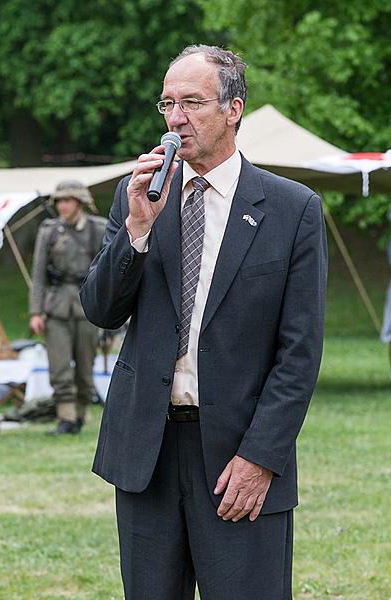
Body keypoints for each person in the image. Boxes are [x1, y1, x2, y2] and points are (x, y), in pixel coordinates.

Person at [80, 45, 327, 600]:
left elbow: (300, 352)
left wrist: (260, 457)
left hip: (239, 458)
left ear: (233, 108)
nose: (175, 119)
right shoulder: (139, 194)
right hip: (147, 454)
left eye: (192, 103)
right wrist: (137, 232)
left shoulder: (293, 210)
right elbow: (100, 310)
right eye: (167, 104)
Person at [29, 180, 107, 435]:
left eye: (68, 200)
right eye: (59, 201)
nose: (62, 206)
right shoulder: (49, 230)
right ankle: (66, 417)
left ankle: (80, 416)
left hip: (88, 305)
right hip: (57, 306)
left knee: (85, 368)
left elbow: (110, 272)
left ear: (80, 202)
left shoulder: (98, 229)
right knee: (59, 366)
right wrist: (35, 311)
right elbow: (38, 274)